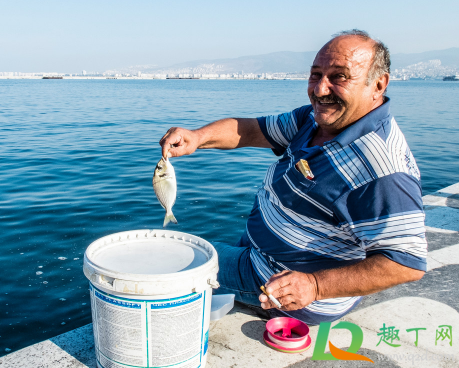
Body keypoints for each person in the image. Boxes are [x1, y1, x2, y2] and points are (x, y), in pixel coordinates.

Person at [159, 30, 426, 325]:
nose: (320, 90)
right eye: (315, 75)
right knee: (201, 252)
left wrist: (314, 286)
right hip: (262, 249)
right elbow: (252, 130)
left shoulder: (381, 169)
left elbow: (406, 263)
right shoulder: (315, 119)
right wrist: (198, 137)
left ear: (378, 84)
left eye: (339, 77)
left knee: (172, 260)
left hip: (279, 282)